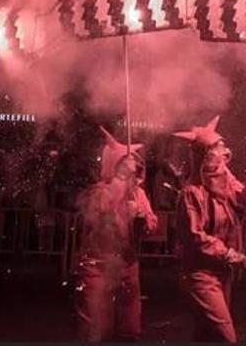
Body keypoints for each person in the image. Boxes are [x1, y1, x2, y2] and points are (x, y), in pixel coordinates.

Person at [173, 115, 246, 343]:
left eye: (222, 145)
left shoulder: (227, 181)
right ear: (205, 155)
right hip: (200, 273)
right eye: (217, 146)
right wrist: (229, 253)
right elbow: (195, 236)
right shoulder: (191, 193)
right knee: (225, 336)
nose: (224, 151)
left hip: (222, 271)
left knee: (206, 335)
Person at [74, 127, 158, 341]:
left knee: (130, 329)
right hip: (97, 264)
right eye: (125, 161)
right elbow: (101, 215)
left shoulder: (138, 193)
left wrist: (141, 218)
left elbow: (151, 225)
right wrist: (121, 184)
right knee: (95, 329)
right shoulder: (98, 191)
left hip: (127, 265)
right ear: (114, 164)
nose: (133, 164)